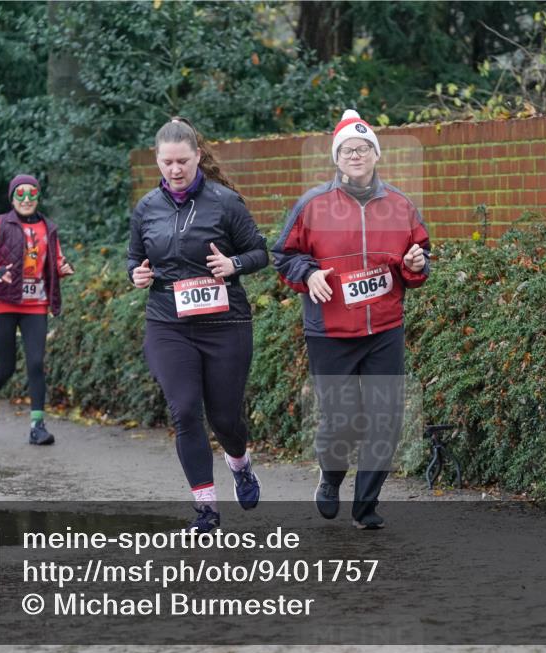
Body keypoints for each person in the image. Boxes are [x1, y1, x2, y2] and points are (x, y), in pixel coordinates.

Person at [273, 109, 430, 529]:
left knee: (386, 418)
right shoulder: (312, 205)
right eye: (347, 150)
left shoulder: (400, 205)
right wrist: (309, 273)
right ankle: (330, 478)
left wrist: (416, 263)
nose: (355, 155)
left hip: (384, 328)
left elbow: (419, 262)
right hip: (330, 331)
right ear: (336, 159)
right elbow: (283, 256)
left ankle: (366, 505)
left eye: (363, 148)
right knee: (340, 421)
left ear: (376, 155)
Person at [128, 117, 268, 533]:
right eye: (167, 162)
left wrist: (233, 264)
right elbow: (134, 258)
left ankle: (240, 464)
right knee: (186, 410)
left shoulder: (225, 202)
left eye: (183, 162)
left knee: (225, 419)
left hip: (225, 323)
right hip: (168, 322)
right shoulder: (146, 208)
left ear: (198, 157)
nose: (175, 170)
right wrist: (137, 274)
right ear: (157, 160)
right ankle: (206, 509)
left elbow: (260, 252)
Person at [0, 174, 74, 445]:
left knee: (36, 363)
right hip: (2, 302)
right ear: (12, 198)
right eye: (20, 194)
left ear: (38, 197)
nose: (26, 199)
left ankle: (37, 425)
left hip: (35, 304)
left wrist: (62, 268)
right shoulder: (0, 224)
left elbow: (57, 260)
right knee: (6, 366)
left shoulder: (48, 228)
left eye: (32, 194)